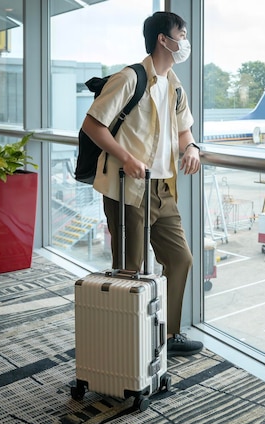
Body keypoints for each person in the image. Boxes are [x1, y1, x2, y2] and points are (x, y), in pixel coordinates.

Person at [81, 11, 203, 357]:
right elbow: (93, 124)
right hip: (127, 188)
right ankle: (128, 341)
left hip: (163, 188)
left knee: (180, 259)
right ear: (164, 40)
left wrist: (191, 147)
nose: (185, 41)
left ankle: (170, 334)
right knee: (129, 271)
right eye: (182, 33)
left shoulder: (174, 84)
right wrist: (127, 157)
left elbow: (183, 129)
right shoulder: (129, 78)